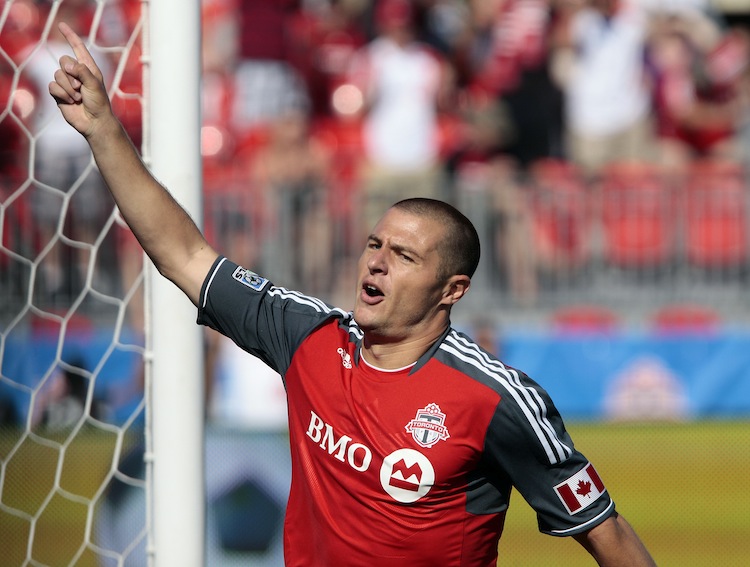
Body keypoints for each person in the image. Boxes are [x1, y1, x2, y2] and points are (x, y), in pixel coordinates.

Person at [49, 23, 657, 567]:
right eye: (375, 243)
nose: (377, 262)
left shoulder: (497, 399)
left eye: (405, 255)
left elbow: (607, 535)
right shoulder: (307, 336)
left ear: (452, 290)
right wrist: (103, 129)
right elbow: (184, 253)